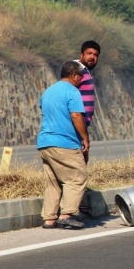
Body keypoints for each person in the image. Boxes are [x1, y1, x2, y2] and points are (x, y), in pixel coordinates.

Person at [37, 60, 90, 229]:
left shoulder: (48, 92)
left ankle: (49, 218)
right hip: (64, 142)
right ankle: (67, 214)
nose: (81, 80)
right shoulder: (72, 91)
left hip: (45, 143)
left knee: (53, 182)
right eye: (80, 76)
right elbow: (76, 116)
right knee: (77, 177)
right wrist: (84, 137)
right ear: (74, 75)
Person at [73, 40, 100, 163]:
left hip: (82, 126)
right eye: (89, 53)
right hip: (75, 125)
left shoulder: (85, 71)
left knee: (82, 163)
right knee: (77, 166)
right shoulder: (75, 70)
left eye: (95, 55)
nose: (92, 57)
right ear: (81, 55)